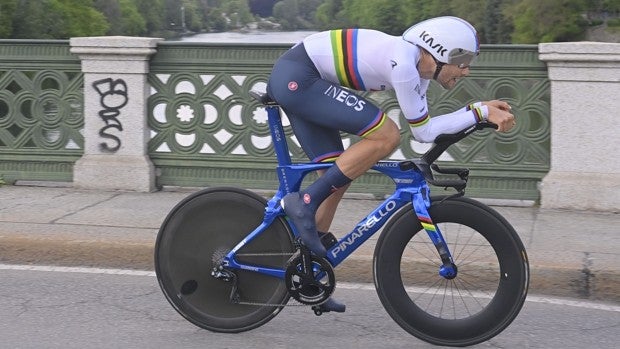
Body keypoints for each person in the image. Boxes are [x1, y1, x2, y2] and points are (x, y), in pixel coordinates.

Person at [266, 16, 516, 313]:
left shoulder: (418, 71)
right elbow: (417, 132)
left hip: (301, 77)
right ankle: (305, 202)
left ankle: (310, 273)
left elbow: (424, 131)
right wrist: (478, 112)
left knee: (337, 176)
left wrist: (477, 111)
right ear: (438, 52)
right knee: (387, 135)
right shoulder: (405, 64)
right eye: (461, 61)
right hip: (298, 77)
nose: (466, 70)